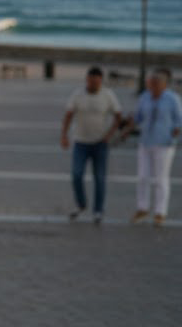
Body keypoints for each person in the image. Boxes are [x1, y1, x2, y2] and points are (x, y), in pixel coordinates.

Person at [60, 66, 122, 225]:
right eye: (91, 82)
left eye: (96, 82)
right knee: (76, 174)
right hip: (80, 142)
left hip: (100, 143)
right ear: (86, 80)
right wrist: (64, 135)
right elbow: (68, 115)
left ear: (101, 81)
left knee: (100, 178)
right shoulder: (78, 94)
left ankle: (98, 210)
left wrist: (110, 135)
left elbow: (118, 116)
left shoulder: (108, 95)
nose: (93, 85)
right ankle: (81, 203)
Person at [129, 68, 182, 227]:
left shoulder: (172, 99)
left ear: (163, 85)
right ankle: (142, 207)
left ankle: (160, 211)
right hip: (146, 141)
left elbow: (179, 119)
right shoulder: (145, 97)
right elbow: (138, 116)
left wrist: (176, 131)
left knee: (160, 178)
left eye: (156, 84)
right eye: (151, 83)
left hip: (164, 143)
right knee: (142, 176)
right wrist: (129, 123)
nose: (152, 86)